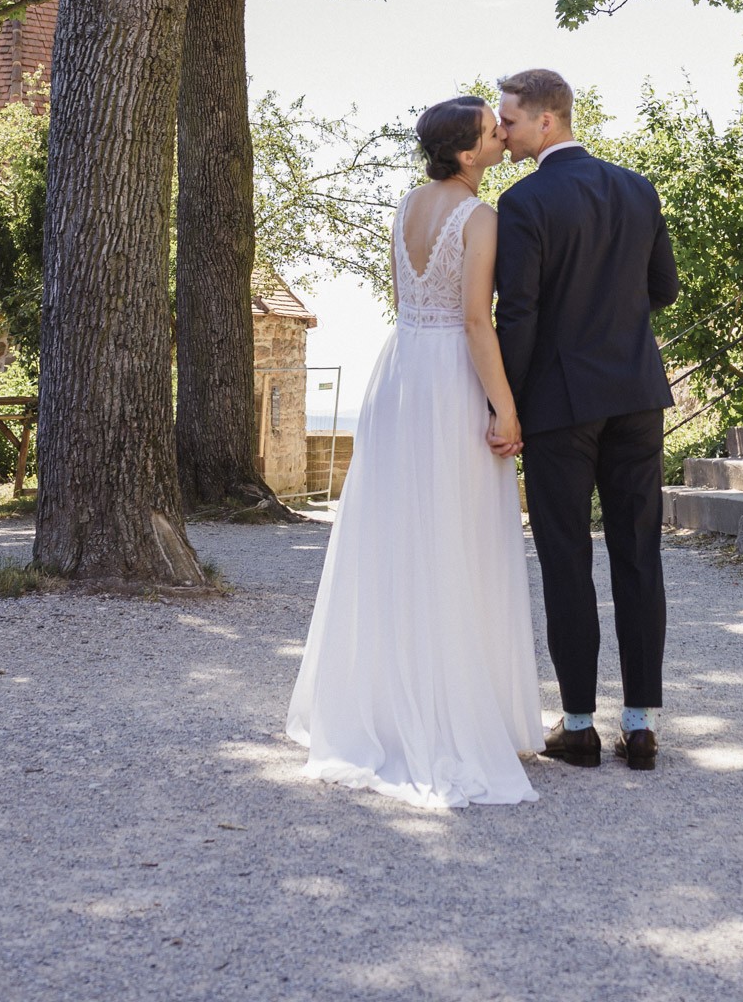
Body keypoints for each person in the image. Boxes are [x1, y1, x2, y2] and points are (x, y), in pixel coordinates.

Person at [286, 96, 544, 808]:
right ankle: (455, 713)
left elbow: (410, 299)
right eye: (492, 131)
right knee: (458, 534)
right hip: (449, 379)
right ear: (466, 153)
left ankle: (385, 708)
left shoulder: (404, 207)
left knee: (397, 536)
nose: (502, 135)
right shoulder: (482, 217)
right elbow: (473, 321)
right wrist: (505, 406)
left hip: (399, 372)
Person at [494, 69, 679, 772]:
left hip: (559, 406)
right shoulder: (637, 188)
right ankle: (641, 725)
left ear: (548, 120)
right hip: (637, 395)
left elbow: (519, 312)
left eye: (509, 120)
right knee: (639, 557)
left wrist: (503, 401)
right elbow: (662, 288)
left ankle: (577, 726)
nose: (502, 133)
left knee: (567, 559)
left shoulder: (524, 201)